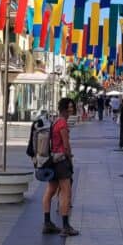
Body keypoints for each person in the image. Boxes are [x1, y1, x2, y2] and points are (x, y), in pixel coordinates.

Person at [42, 98, 79, 237]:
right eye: (69, 107)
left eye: (72, 107)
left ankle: (47, 223)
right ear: (64, 108)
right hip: (62, 161)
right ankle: (65, 227)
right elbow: (66, 144)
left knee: (50, 191)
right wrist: (70, 158)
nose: (71, 109)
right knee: (66, 192)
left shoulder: (55, 121)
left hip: (53, 160)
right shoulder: (62, 123)